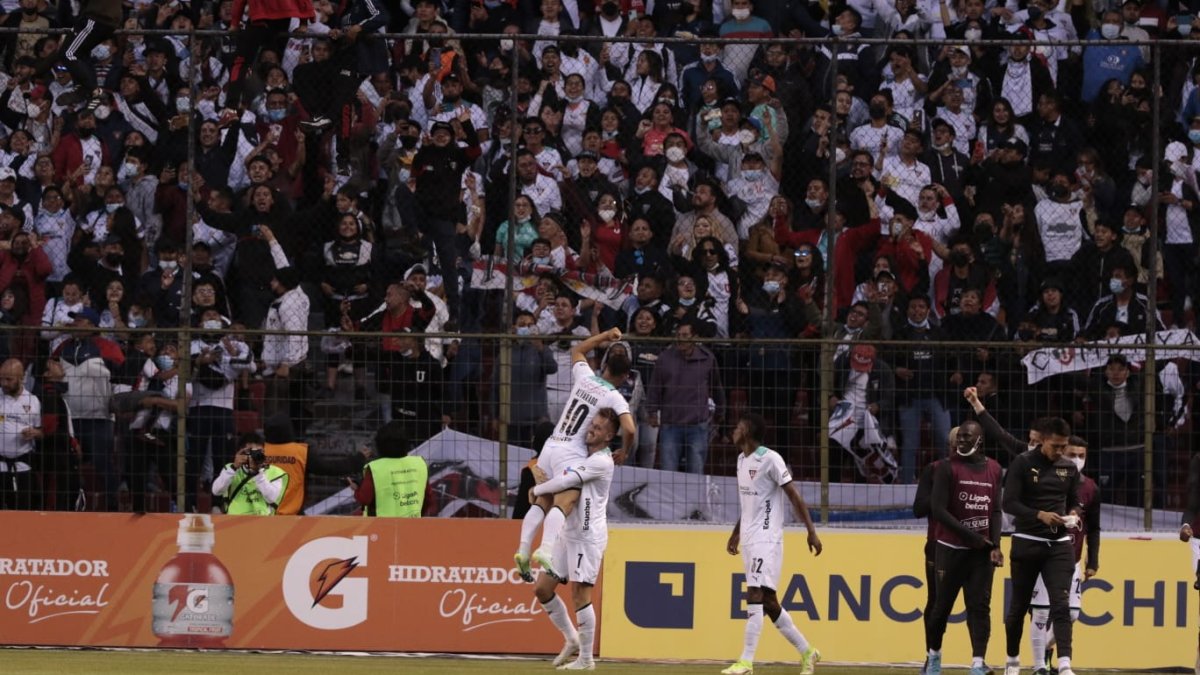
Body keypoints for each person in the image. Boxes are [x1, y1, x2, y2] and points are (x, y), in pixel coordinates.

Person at [513, 327, 635, 584]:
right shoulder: (614, 396)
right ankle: (545, 549)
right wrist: (625, 449)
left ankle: (523, 549)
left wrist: (605, 337)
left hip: (551, 444)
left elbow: (577, 350)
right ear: (624, 376)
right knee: (565, 499)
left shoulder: (585, 377)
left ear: (604, 366)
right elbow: (630, 428)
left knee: (542, 499)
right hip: (571, 452)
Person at [722, 413, 822, 675]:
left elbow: (794, 496)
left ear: (747, 431)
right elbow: (751, 502)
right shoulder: (742, 461)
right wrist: (736, 533)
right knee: (769, 602)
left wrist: (811, 531)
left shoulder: (770, 459)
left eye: (737, 427)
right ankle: (807, 651)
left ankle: (745, 661)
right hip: (750, 538)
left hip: (767, 538)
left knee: (754, 594)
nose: (733, 431)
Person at [530, 408, 620, 671]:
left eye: (599, 427)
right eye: (592, 424)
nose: (592, 429)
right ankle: (571, 639)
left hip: (587, 536)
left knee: (580, 594)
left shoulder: (602, 461)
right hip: (568, 532)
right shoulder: (582, 453)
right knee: (542, 589)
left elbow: (565, 480)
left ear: (609, 436)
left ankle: (586, 660)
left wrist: (536, 488)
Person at [1002, 417, 1082, 675]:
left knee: (1062, 604)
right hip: (1027, 542)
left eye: (1063, 446)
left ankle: (1066, 664)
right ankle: (1012, 660)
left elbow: (1075, 501)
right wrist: (1039, 515)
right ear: (1042, 440)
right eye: (1055, 446)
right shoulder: (1023, 463)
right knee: (1018, 608)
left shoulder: (1069, 468)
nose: (1060, 451)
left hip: (1059, 544)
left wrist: (1073, 513)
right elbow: (1009, 504)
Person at [924, 421, 1004, 675]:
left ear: (979, 440)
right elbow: (938, 510)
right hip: (950, 549)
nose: (961, 441)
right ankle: (934, 657)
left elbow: (996, 510)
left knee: (980, 608)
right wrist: (972, 536)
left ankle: (978, 663)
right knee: (940, 608)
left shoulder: (994, 468)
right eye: (959, 437)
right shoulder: (947, 468)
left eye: (967, 437)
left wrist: (995, 545)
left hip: (981, 553)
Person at [1029, 437, 1100, 674]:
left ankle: (1048, 649)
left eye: (1081, 456)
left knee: (1072, 614)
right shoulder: (1047, 479)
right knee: (1040, 611)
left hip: (1073, 560)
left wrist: (1094, 559)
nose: (1076, 460)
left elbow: (1094, 527)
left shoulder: (1090, 488)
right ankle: (1040, 665)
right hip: (1045, 555)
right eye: (1072, 455)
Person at [352, 420, 428, 517]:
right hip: (412, 524)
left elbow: (364, 498)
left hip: (382, 527)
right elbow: (428, 498)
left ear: (379, 446)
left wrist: (356, 489)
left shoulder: (375, 468)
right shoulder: (419, 464)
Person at [212, 432, 289, 516]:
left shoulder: (275, 472)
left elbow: (272, 499)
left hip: (263, 524)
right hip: (234, 522)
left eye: (259, 452)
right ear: (241, 453)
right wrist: (234, 468)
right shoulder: (230, 469)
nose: (254, 456)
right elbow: (216, 491)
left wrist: (257, 473)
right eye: (250, 452)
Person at [0, 358, 41, 509]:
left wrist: (35, 432)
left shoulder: (33, 401)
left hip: (23, 466)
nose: (4, 383)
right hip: (0, 465)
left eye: (8, 379)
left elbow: (42, 431)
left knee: (22, 511)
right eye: (1, 379)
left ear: (21, 377)